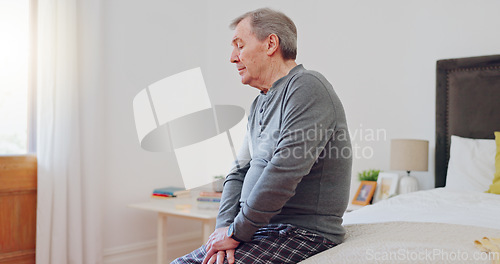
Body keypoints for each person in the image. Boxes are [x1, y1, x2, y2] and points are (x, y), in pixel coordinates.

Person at [172, 8, 352, 264]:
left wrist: (237, 231)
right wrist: (223, 229)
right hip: (260, 229)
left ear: (270, 44)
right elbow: (238, 171)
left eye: (240, 45)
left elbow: (285, 170)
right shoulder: (259, 103)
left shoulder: (307, 86)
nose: (233, 58)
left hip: (301, 233)